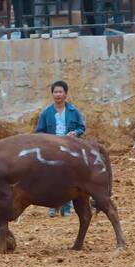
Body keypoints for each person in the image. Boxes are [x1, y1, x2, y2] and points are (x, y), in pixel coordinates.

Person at [35, 80, 86, 217]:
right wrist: (48, 140)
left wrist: (75, 133)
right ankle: (53, 205)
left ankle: (66, 207)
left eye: (60, 92)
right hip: (52, 149)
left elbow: (81, 127)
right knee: (51, 177)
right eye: (55, 92)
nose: (58, 94)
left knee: (68, 178)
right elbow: (39, 132)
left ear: (65, 94)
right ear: (52, 94)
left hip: (69, 148)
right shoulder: (46, 113)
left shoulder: (73, 111)